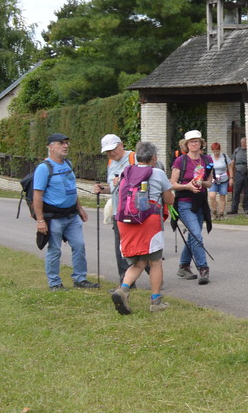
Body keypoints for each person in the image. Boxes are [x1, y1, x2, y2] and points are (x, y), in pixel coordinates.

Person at [109, 141, 175, 315]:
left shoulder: (126, 171)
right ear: (153, 158)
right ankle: (156, 302)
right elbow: (169, 200)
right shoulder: (157, 172)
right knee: (155, 262)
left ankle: (123, 290)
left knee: (138, 262)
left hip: (126, 221)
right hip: (148, 222)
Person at [32, 133, 99, 290]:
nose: (66, 146)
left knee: (79, 245)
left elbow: (71, 189)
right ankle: (54, 283)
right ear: (50, 147)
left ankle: (80, 279)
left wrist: (80, 208)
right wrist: (40, 220)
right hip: (54, 217)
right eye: (61, 143)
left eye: (67, 143)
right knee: (55, 250)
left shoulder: (68, 164)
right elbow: (37, 195)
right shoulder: (44, 168)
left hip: (72, 215)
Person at [170, 130, 214, 284]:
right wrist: (187, 186)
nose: (194, 144)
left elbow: (209, 183)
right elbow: (172, 184)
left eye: (196, 141)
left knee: (193, 236)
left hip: (200, 202)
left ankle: (183, 266)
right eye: (191, 142)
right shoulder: (180, 161)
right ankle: (203, 268)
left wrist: (202, 183)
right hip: (184, 202)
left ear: (201, 143)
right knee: (196, 235)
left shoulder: (207, 159)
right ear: (186, 144)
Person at [97, 133, 134, 286]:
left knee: (137, 246)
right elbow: (113, 188)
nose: (111, 153)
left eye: (113, 149)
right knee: (120, 248)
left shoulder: (134, 158)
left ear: (121, 145)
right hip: (117, 211)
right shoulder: (111, 162)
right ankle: (125, 282)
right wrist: (103, 189)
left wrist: (125, 180)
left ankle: (153, 272)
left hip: (133, 211)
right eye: (107, 151)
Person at [207, 141, 230, 220]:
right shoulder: (210, 158)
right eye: (214, 151)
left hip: (223, 179)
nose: (216, 152)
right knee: (212, 196)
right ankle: (214, 211)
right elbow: (208, 168)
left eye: (217, 150)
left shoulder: (224, 156)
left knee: (222, 196)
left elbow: (230, 166)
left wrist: (231, 177)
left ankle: (221, 213)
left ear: (220, 150)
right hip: (213, 179)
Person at [228, 136, 248, 215]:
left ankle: (246, 208)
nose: (244, 143)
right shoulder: (237, 150)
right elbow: (232, 162)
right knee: (236, 191)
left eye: (245, 142)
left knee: (247, 192)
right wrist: (232, 175)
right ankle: (234, 208)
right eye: (243, 142)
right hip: (238, 173)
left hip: (247, 173)